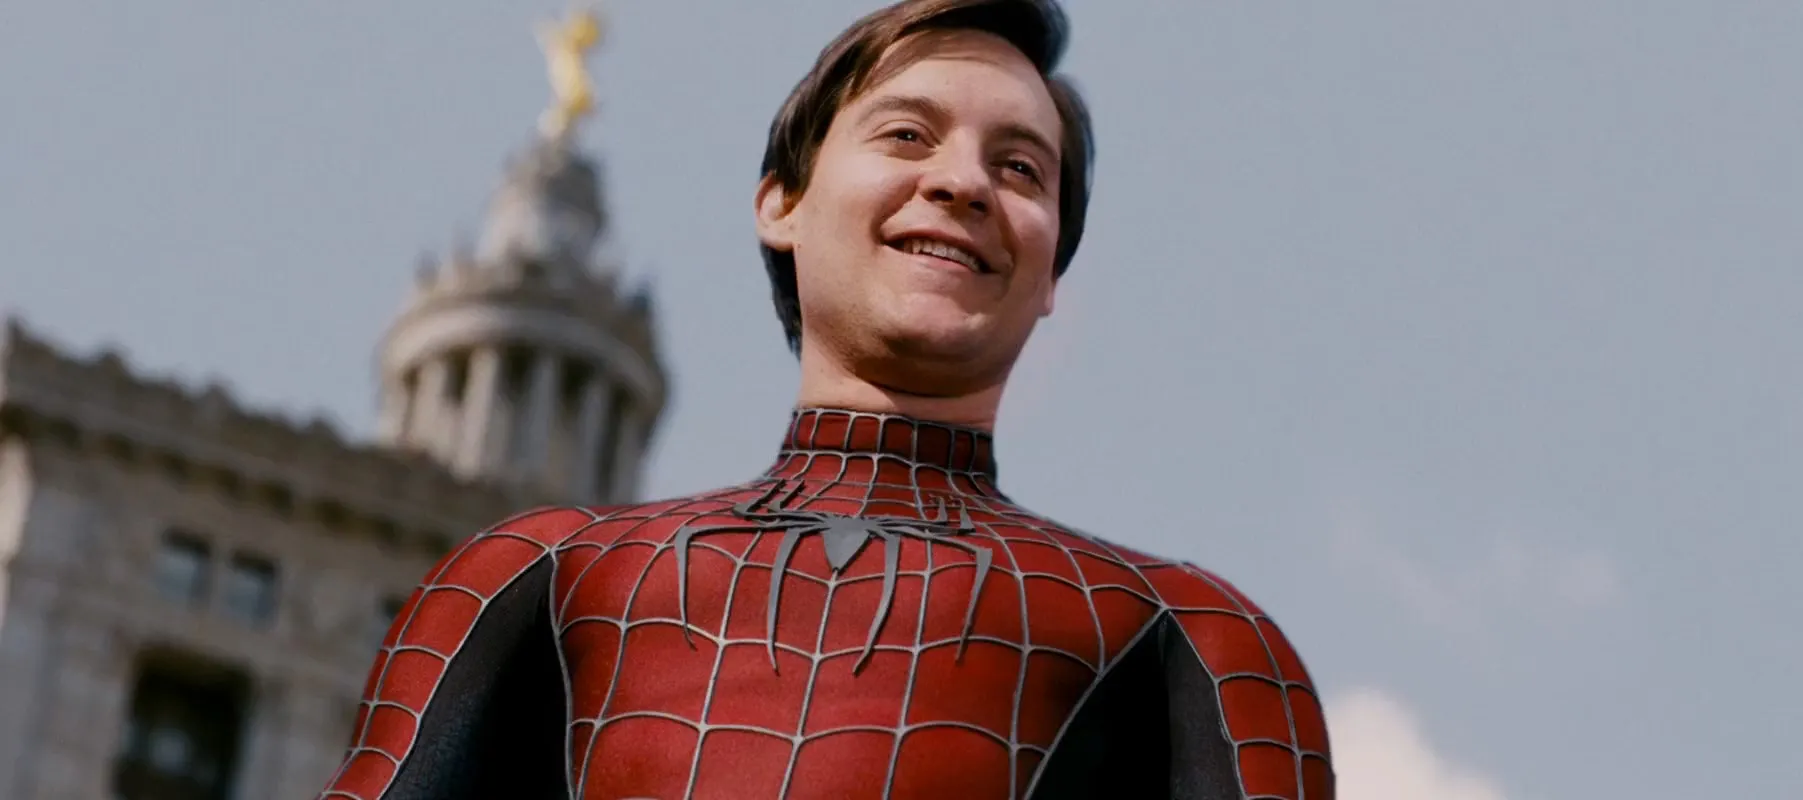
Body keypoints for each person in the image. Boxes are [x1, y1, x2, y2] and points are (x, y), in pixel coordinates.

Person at [319, 0, 1333, 797]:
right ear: (783, 202)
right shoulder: (536, 577)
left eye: (1022, 168)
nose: (964, 183)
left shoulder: (1189, 634)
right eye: (908, 135)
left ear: (1051, 271)